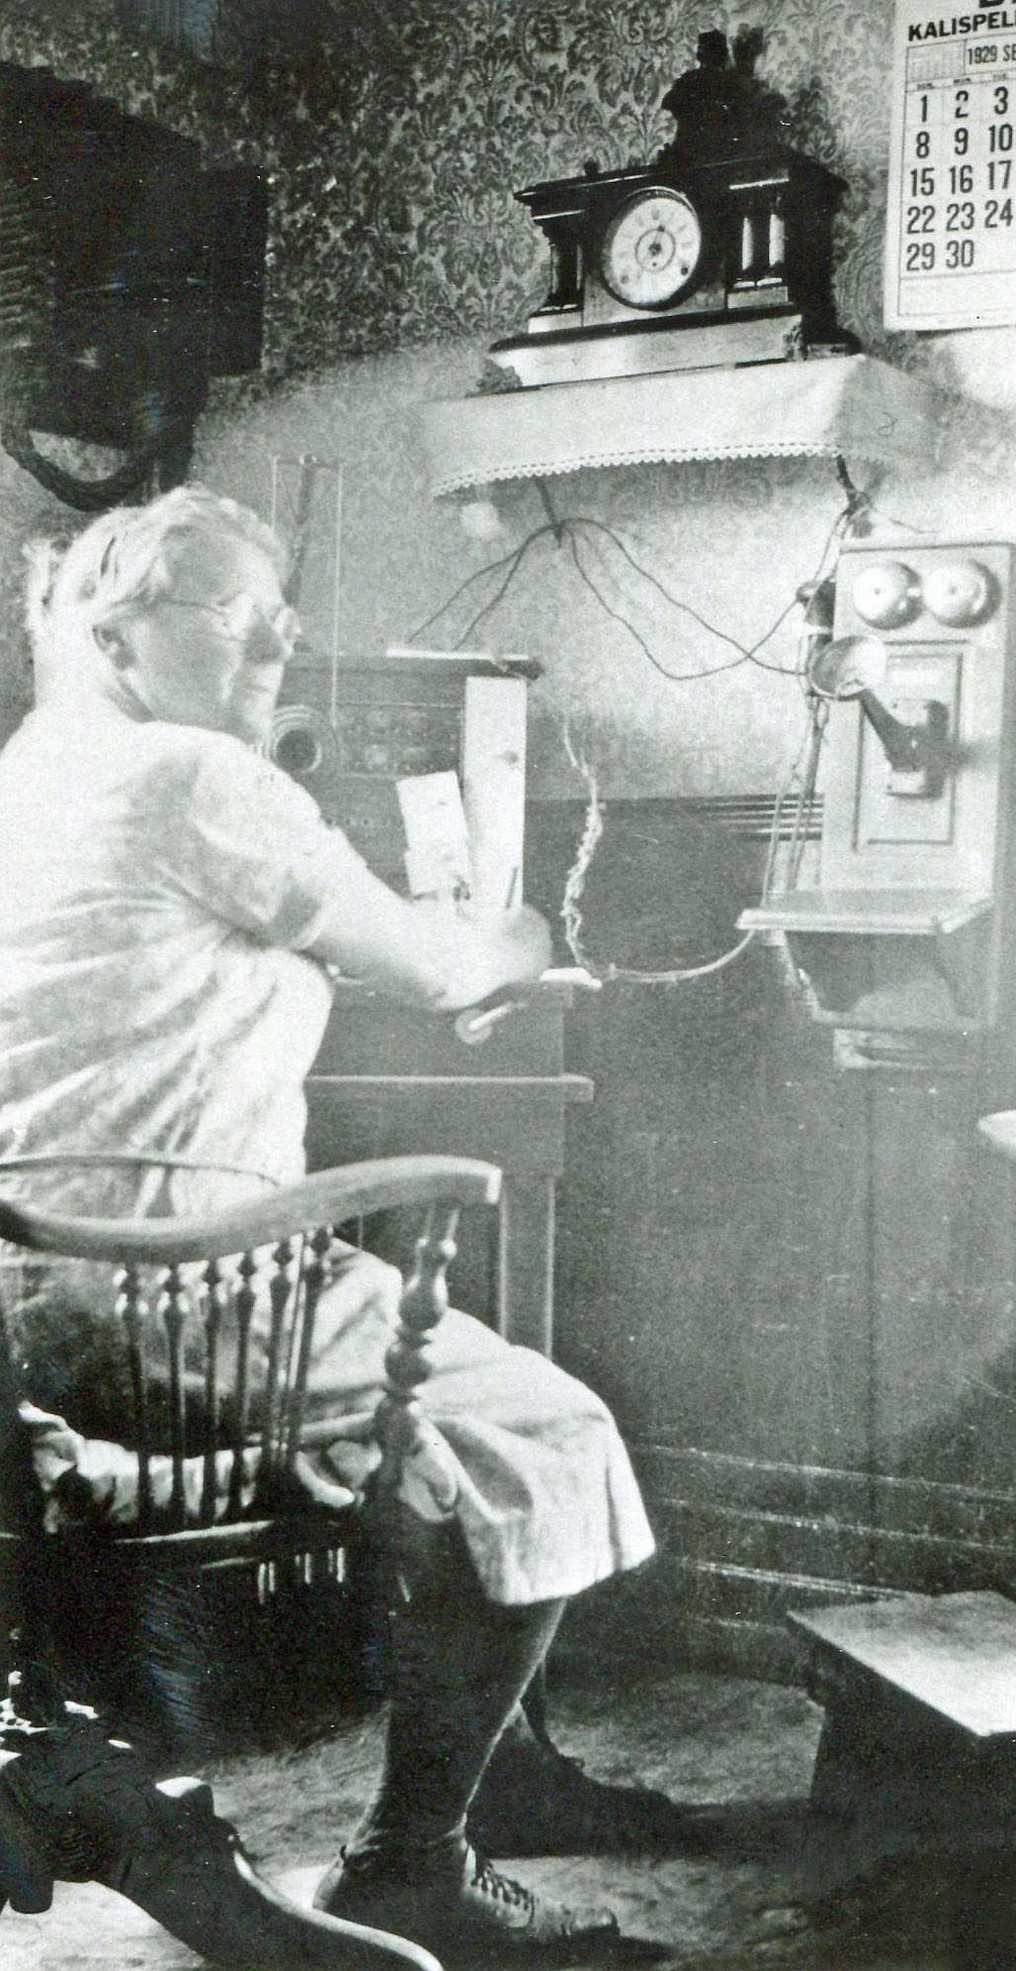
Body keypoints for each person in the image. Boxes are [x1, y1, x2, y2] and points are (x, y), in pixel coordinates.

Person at [0, 485, 673, 1962]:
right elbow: (439, 969)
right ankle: (409, 1857)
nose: (279, 650)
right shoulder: (194, 776)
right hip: (185, 1294)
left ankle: (475, 1777)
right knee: (544, 1431)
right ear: (116, 633)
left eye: (284, 625)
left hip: (29, 1308)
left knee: (434, 1434)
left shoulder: (28, 775)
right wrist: (513, 941)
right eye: (241, 620)